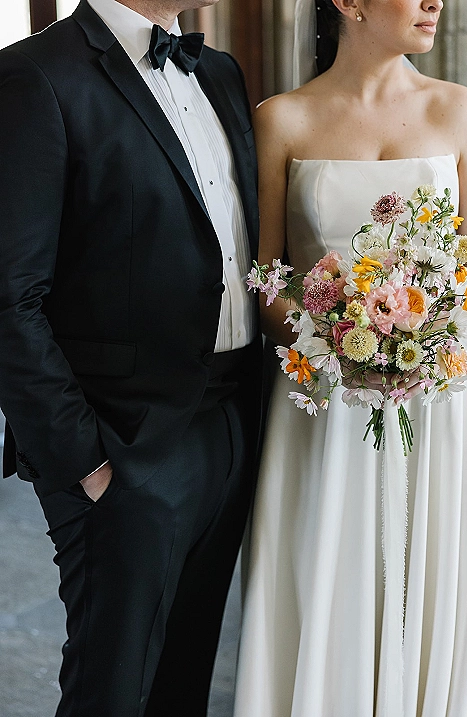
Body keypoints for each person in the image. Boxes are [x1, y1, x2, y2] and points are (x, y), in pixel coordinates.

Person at [233, 0, 467, 715]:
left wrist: (435, 329)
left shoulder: (457, 109)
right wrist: (335, 335)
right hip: (328, 406)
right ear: (350, 3)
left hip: (448, 401)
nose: (434, 3)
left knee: (449, 579)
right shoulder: (281, 119)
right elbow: (266, 282)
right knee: (338, 575)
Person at [0, 0, 261, 714]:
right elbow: (9, 299)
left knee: (184, 683)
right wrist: (86, 463)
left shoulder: (222, 73)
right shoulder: (35, 76)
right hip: (123, 445)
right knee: (110, 693)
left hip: (231, 422)